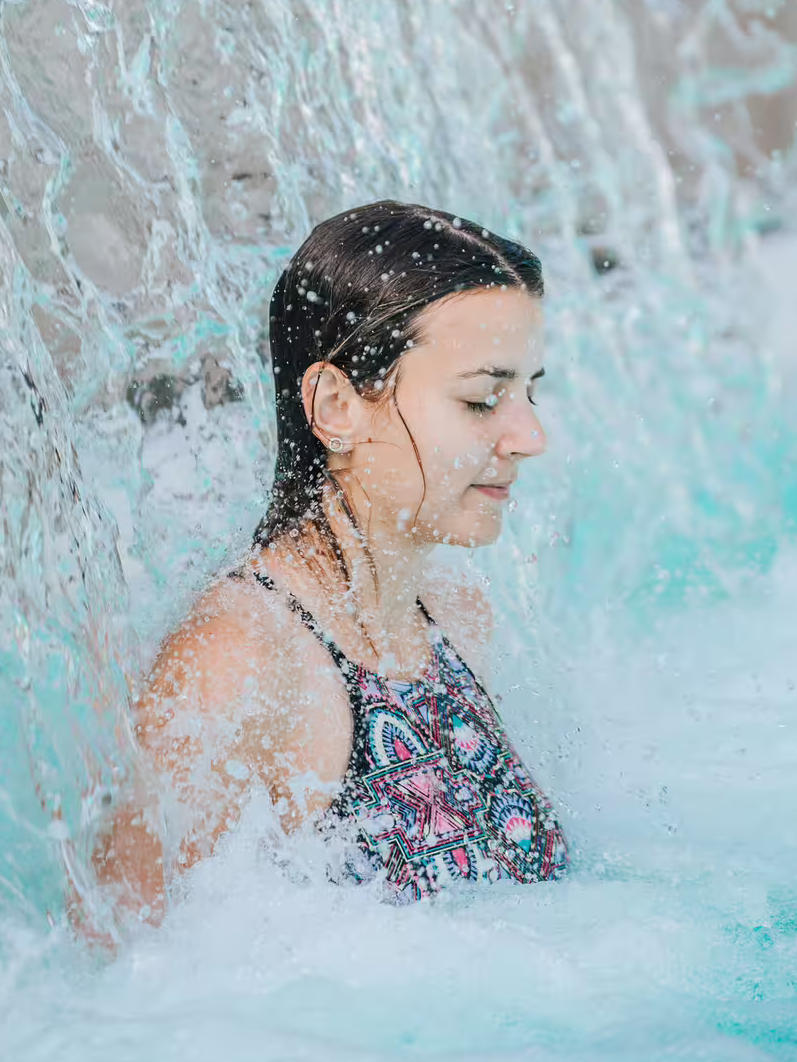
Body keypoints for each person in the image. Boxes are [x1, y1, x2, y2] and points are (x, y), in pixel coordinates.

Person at [92, 201, 567, 917]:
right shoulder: (237, 664)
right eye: (481, 400)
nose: (529, 435)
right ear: (337, 406)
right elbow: (125, 969)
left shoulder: (457, 618)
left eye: (529, 392)